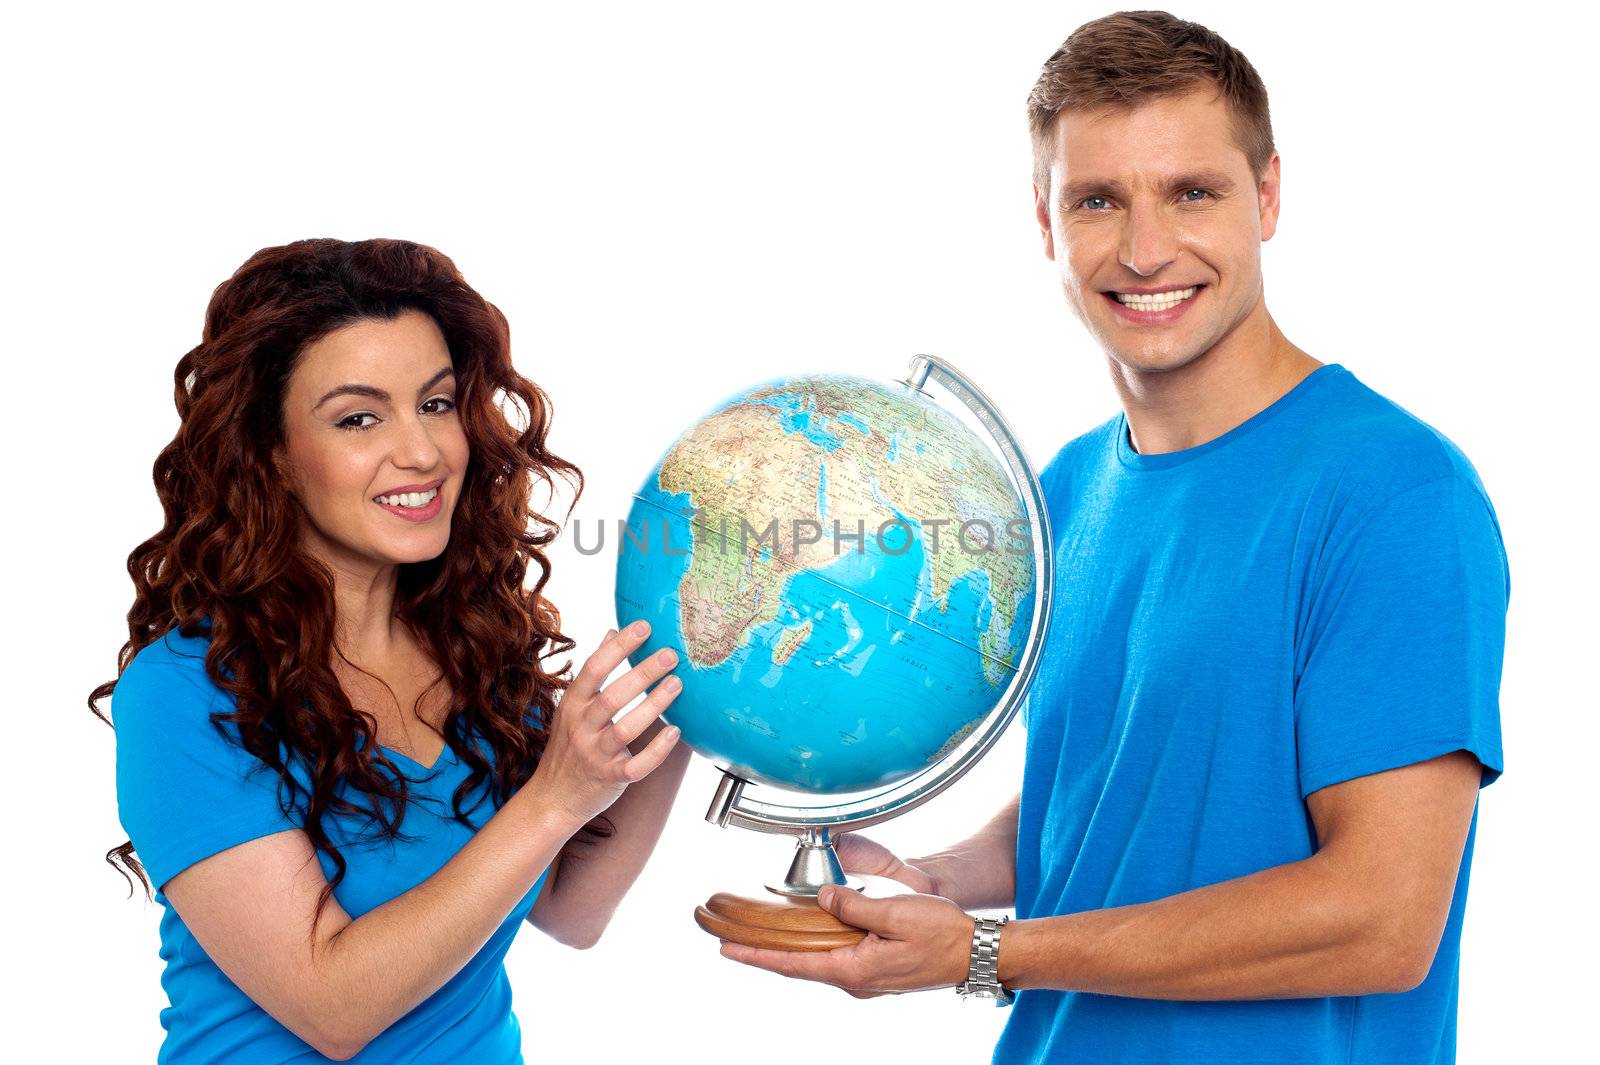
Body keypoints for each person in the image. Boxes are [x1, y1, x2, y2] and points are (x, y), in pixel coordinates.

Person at [717, 11, 1509, 1065]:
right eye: (1097, 200)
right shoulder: (1066, 489)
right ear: (1044, 223)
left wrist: (986, 953)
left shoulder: (1392, 494)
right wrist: (939, 883)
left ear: (1267, 196)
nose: (1143, 251)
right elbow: (1114, 785)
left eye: (1192, 192)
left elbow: (1379, 918)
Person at [91, 237, 689, 1063]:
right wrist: (553, 796)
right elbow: (330, 1006)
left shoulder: (476, 647)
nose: (423, 452)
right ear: (272, 454)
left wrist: (703, 682)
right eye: (360, 417)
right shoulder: (184, 693)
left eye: (437, 404)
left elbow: (569, 909)